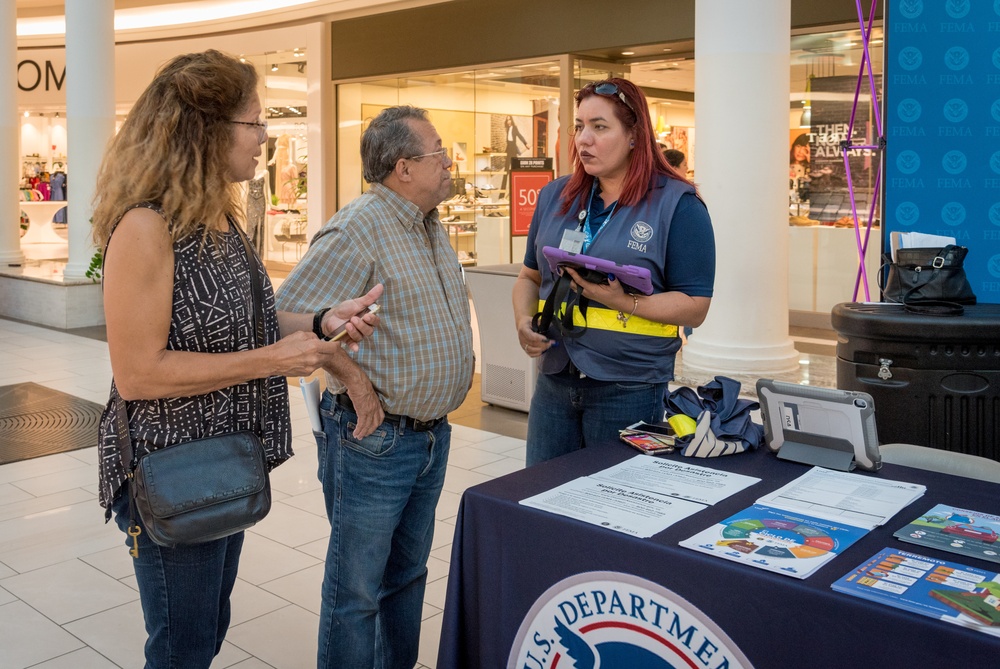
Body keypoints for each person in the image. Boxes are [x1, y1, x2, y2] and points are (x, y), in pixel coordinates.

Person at [93, 49, 381, 669]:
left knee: (206, 629)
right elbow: (137, 373)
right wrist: (272, 361)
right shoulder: (145, 227)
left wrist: (322, 322)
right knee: (181, 647)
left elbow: (243, 323)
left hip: (224, 459)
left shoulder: (217, 215)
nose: (265, 137)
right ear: (206, 129)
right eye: (254, 122)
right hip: (173, 468)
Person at [275, 105, 475, 669]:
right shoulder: (359, 226)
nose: (448, 162)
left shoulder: (430, 226)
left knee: (407, 577)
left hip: (430, 439)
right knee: (356, 591)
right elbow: (287, 315)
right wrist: (352, 378)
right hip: (374, 440)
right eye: (439, 152)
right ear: (403, 166)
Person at [513, 78, 715, 466]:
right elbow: (529, 278)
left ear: (635, 135)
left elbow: (695, 307)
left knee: (612, 509)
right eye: (579, 126)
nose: (583, 139)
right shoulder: (555, 196)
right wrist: (524, 319)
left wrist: (626, 301)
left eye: (599, 127)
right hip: (555, 378)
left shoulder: (679, 205)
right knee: (542, 501)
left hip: (630, 385)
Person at [499, 113, 530, 194]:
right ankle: (502, 194)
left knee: (514, 171)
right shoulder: (507, 129)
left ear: (511, 120)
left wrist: (525, 143)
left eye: (509, 119)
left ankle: (515, 191)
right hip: (509, 150)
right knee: (506, 171)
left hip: (513, 150)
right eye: (507, 120)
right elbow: (508, 142)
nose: (508, 121)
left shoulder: (514, 128)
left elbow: (520, 136)